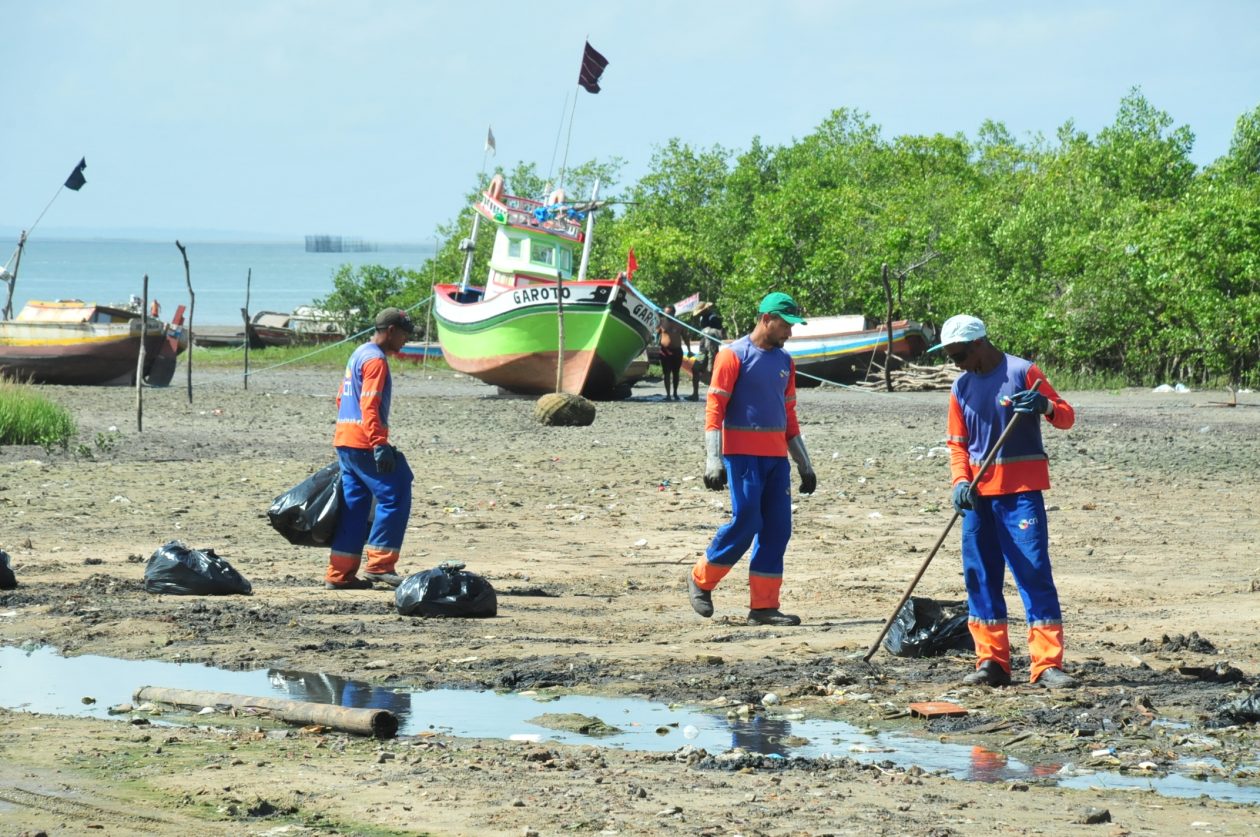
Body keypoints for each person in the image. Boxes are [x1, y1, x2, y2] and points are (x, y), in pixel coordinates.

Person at [934, 314, 1077, 688]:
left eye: (959, 354)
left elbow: (1066, 417)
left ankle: (1046, 665)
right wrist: (960, 482)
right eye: (951, 356)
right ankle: (992, 662)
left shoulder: (1023, 372)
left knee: (1032, 572)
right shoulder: (960, 387)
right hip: (978, 498)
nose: (956, 363)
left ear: (980, 343)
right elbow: (957, 445)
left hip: (1020, 495)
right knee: (980, 577)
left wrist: (1043, 405)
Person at [688, 292, 818, 626]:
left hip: (776, 460)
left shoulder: (785, 363)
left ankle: (763, 607)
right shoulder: (733, 355)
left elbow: (789, 416)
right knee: (746, 522)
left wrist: (804, 464)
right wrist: (712, 460)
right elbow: (715, 408)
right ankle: (701, 580)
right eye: (786, 325)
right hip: (742, 456)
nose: (789, 333)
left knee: (777, 530)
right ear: (767, 319)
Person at [325, 307, 416, 590]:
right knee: (395, 493)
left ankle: (339, 574)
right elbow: (369, 404)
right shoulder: (376, 361)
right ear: (390, 331)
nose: (405, 340)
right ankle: (380, 565)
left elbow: (341, 397)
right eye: (404, 334)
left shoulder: (359, 353)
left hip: (345, 440)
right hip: (365, 443)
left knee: (355, 506)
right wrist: (379, 444)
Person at [688, 303, 726, 401]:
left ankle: (713, 396)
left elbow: (721, 334)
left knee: (711, 371)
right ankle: (695, 394)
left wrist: (708, 331)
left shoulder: (713, 318)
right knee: (695, 368)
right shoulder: (703, 318)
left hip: (711, 348)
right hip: (703, 348)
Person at [657, 304, 690, 400]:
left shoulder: (679, 323)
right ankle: (668, 395)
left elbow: (686, 337)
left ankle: (675, 393)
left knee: (676, 373)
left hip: (677, 351)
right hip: (665, 351)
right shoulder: (661, 322)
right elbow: (654, 332)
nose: (667, 315)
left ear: (673, 313)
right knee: (666, 373)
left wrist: (689, 350)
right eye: (665, 313)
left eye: (669, 313)